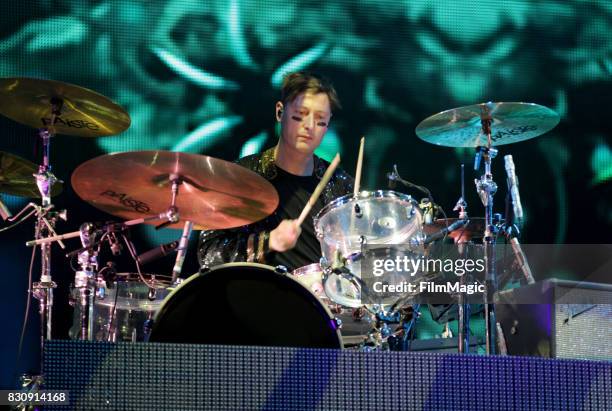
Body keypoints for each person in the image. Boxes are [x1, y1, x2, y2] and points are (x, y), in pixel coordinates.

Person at [198, 72, 354, 271]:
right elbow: (209, 253)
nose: (310, 126)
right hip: (255, 294)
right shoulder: (239, 176)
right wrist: (268, 241)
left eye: (321, 120)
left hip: (318, 300)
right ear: (280, 112)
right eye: (301, 115)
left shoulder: (340, 185)